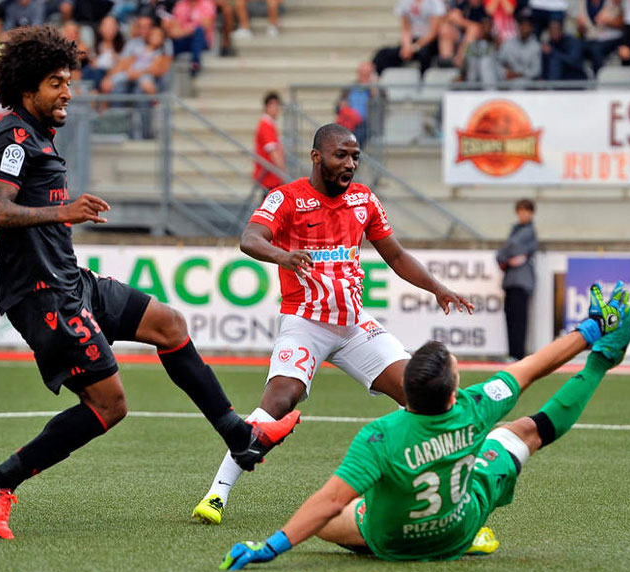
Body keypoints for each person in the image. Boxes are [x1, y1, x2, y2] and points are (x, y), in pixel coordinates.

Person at [0, 25, 298, 540]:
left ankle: (238, 435)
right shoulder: (12, 136)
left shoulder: (38, 136)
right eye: (57, 82)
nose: (69, 92)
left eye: (69, 81)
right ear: (29, 88)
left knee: (169, 323)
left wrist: (46, 235)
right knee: (110, 404)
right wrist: (61, 211)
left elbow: (9, 220)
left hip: (69, 280)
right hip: (42, 295)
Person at [220, 283, 630, 569]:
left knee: (328, 515)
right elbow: (530, 369)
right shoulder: (474, 408)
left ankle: (378, 528)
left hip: (390, 540)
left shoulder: (379, 436)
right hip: (457, 528)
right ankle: (602, 363)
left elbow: (328, 503)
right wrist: (592, 334)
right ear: (453, 394)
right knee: (526, 432)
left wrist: (269, 548)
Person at [192, 123, 476, 525]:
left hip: (355, 325)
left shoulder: (364, 200)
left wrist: (437, 287)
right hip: (305, 322)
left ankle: (451, 505)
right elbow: (250, 238)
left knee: (421, 393)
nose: (350, 163)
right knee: (279, 399)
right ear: (316, 157)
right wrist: (282, 256)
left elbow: (395, 255)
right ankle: (216, 494)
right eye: (341, 155)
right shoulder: (286, 198)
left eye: (355, 156)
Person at [496, 198, 537, 361]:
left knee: (520, 319)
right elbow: (501, 254)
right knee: (510, 317)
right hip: (510, 281)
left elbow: (511, 246)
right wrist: (506, 257)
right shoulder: (515, 230)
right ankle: (512, 353)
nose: (522, 214)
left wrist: (505, 255)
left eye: (526, 211)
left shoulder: (529, 231)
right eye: (520, 211)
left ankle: (518, 354)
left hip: (522, 281)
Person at [373, 0, 447, 76]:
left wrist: (415, 47)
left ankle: (423, 82)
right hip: (412, 41)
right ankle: (377, 81)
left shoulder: (434, 3)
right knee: (383, 55)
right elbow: (405, 29)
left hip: (430, 43)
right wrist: (406, 46)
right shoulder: (405, 3)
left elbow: (433, 33)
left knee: (424, 54)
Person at [252, 91, 287, 200]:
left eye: (278, 106)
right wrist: (282, 170)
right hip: (269, 175)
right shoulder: (266, 125)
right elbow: (272, 150)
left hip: (270, 175)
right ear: (267, 107)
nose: (277, 109)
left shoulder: (269, 124)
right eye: (274, 106)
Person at [577, 0, 624, 75]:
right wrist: (580, 27)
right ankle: (579, 80)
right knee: (576, 48)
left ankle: (599, 80)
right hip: (590, 39)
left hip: (611, 38)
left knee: (596, 50)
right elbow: (581, 30)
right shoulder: (582, 3)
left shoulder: (614, 2)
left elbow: (623, 23)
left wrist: (608, 21)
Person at [495, 14, 541, 82]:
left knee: (520, 82)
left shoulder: (536, 46)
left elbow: (535, 71)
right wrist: (504, 72)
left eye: (527, 26)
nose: (524, 28)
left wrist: (518, 74)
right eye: (522, 25)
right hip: (508, 80)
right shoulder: (508, 44)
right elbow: (498, 62)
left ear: (531, 28)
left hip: (526, 81)